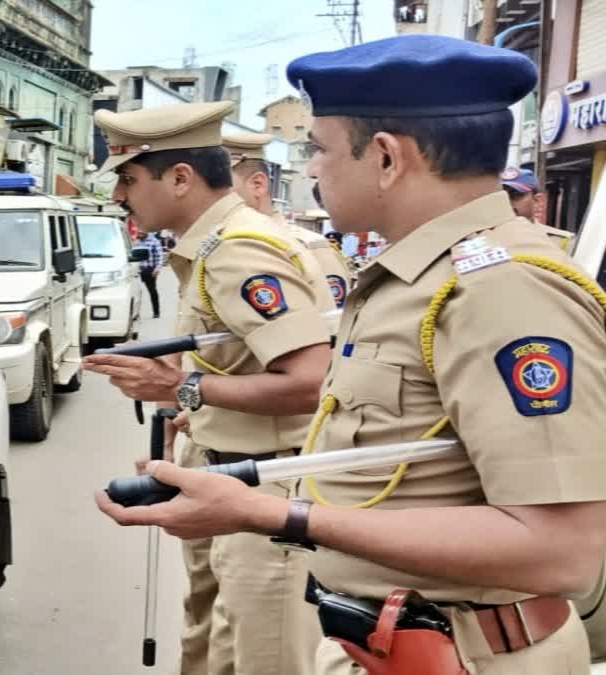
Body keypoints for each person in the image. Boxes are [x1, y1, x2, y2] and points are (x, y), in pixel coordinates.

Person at [96, 34, 606, 675]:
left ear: (388, 158)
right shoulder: (415, 275)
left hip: (465, 653)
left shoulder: (500, 288)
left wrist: (275, 511)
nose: (309, 171)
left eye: (320, 149)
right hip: (395, 638)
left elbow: (560, 551)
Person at [84, 100, 333, 675]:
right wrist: (184, 414)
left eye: (128, 178)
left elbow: (309, 382)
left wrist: (180, 386)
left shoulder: (237, 251)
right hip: (236, 478)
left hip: (268, 490)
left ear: (180, 178)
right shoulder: (215, 246)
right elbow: (241, 362)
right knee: (214, 651)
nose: (120, 196)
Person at [224, 131, 354, 307]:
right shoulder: (213, 246)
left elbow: (330, 326)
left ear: (257, 185)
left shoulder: (311, 249)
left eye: (219, 185)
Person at [502, 166, 577, 251]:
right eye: (501, 196)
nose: (507, 202)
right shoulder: (486, 239)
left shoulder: (561, 242)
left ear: (537, 200)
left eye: (515, 195)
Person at [136, 230, 165, 318]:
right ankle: (135, 313)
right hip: (137, 270)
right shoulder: (137, 242)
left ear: (146, 232)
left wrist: (157, 269)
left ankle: (156, 312)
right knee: (136, 291)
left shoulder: (154, 241)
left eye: (141, 232)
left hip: (150, 270)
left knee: (152, 291)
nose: (139, 233)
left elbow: (160, 256)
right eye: (138, 232)